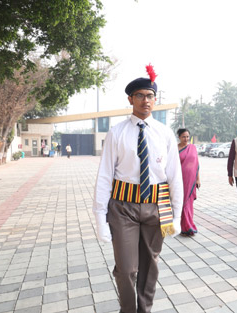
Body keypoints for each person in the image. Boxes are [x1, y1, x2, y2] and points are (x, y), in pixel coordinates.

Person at [93, 65, 183, 313]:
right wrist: (100, 218)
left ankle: (145, 309)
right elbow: (104, 176)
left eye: (150, 95)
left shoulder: (164, 134)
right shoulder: (116, 133)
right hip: (123, 208)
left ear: (155, 99)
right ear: (130, 99)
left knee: (150, 265)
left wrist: (177, 215)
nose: (146, 100)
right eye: (141, 95)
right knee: (126, 268)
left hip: (157, 207)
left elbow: (175, 176)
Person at [177, 128, 200, 236]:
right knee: (180, 203)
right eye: (183, 137)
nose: (186, 139)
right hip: (179, 180)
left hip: (191, 180)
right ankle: (181, 225)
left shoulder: (192, 147)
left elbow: (197, 164)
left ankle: (189, 226)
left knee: (188, 204)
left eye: (187, 137)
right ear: (179, 137)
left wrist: (198, 179)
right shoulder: (175, 148)